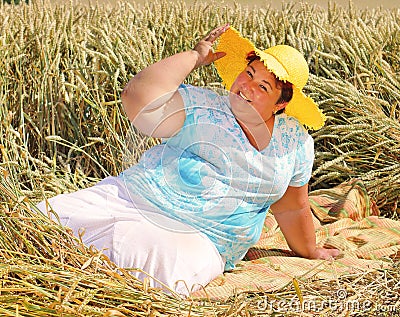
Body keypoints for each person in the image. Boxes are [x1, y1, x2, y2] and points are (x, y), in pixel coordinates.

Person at [37, 24, 339, 295]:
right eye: (248, 74)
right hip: (129, 199)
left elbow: (291, 207)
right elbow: (136, 98)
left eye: (263, 87)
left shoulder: (294, 143)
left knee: (164, 276)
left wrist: (310, 250)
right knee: (39, 223)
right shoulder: (204, 106)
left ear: (282, 102)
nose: (246, 87)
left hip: (202, 237)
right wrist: (194, 56)